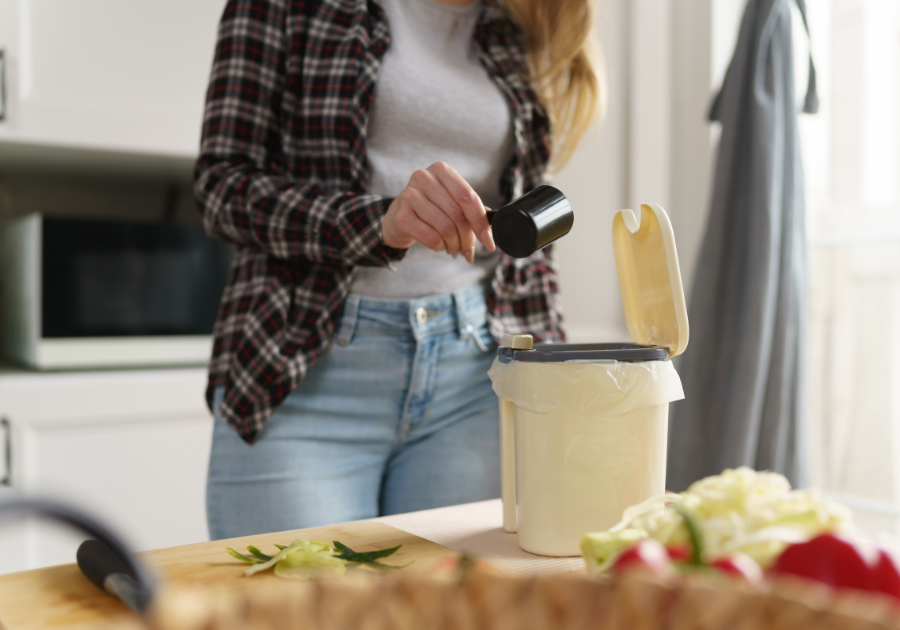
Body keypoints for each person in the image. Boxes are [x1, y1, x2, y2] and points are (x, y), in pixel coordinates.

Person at [195, 0, 605, 540]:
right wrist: (378, 222)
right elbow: (221, 186)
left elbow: (529, 244)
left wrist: (556, 377)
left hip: (475, 377)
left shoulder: (513, 30)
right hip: (304, 373)